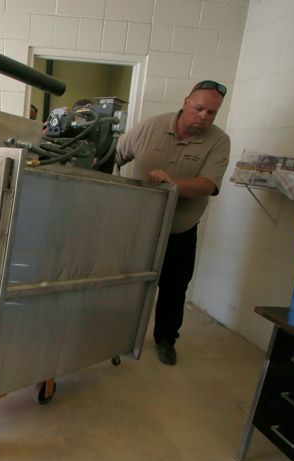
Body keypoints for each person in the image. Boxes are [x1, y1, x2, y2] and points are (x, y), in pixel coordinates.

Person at [114, 80, 230, 366]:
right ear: (186, 101)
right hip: (138, 227)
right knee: (126, 284)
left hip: (180, 230)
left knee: (174, 288)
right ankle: (115, 337)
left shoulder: (218, 141)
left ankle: (166, 340)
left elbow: (208, 184)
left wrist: (173, 184)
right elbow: (113, 156)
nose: (205, 116)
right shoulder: (150, 127)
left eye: (212, 113)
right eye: (200, 108)